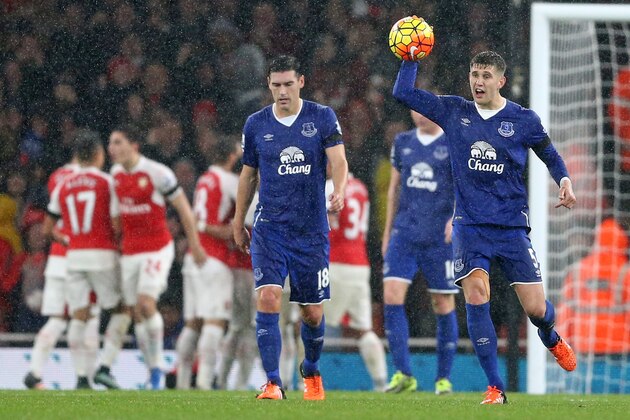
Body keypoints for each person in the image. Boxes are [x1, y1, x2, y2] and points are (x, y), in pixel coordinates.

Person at [392, 46, 577, 404]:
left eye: (486, 76)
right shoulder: (454, 110)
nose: (478, 82)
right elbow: (403, 93)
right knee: (476, 295)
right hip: (470, 225)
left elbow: (549, 155)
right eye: (474, 75)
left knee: (536, 310)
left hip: (510, 227)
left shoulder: (523, 120)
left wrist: (564, 179)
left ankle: (551, 336)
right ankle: (495, 387)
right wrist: (410, 58)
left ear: (501, 81)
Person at [233, 55, 348, 400]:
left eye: (287, 84)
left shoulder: (322, 117)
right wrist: (239, 220)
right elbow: (248, 174)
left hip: (311, 231)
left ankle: (310, 369)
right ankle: (272, 381)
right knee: (268, 297)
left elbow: (339, 160)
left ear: (301, 81)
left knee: (311, 313)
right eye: (275, 85)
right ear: (268, 85)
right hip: (270, 228)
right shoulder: (256, 124)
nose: (282, 92)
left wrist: (339, 190)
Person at [108, 125, 206, 390]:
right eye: (111, 143)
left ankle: (159, 364)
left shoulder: (157, 173)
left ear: (134, 145)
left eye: (117, 142)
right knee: (137, 314)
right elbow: (117, 218)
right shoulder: (115, 175)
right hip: (130, 251)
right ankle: (153, 371)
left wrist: (195, 246)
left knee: (146, 304)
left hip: (157, 248)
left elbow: (185, 211)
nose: (112, 148)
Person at [45, 132, 131, 390]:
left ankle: (81, 377)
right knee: (122, 309)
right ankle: (104, 367)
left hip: (74, 256)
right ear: (97, 154)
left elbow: (47, 227)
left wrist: (68, 241)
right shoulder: (106, 182)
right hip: (102, 254)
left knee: (79, 315)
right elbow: (116, 224)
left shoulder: (64, 184)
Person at [381, 110, 459, 395]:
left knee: (442, 303)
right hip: (405, 232)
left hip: (440, 236)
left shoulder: (452, 142)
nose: (419, 116)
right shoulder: (402, 142)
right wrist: (388, 232)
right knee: (391, 295)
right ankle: (403, 373)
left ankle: (443, 378)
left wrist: (456, 217)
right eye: (414, 110)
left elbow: (464, 185)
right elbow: (393, 189)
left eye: (424, 110)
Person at [175, 137, 240, 390]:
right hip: (214, 258)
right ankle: (203, 383)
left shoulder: (204, 179)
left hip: (195, 257)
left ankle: (182, 383)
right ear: (231, 157)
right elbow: (250, 216)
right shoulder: (231, 182)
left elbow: (199, 218)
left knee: (193, 322)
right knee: (215, 322)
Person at [325, 171, 387, 391]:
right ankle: (381, 382)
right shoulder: (361, 187)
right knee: (364, 329)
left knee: (306, 321)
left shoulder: (329, 187)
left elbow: (330, 224)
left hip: (334, 262)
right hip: (360, 263)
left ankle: (301, 381)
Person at [23, 157, 79, 389]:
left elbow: (52, 215)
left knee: (57, 319)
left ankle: (34, 372)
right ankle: (84, 377)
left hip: (57, 255)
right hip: (81, 253)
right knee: (86, 317)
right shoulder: (95, 180)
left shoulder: (56, 177)